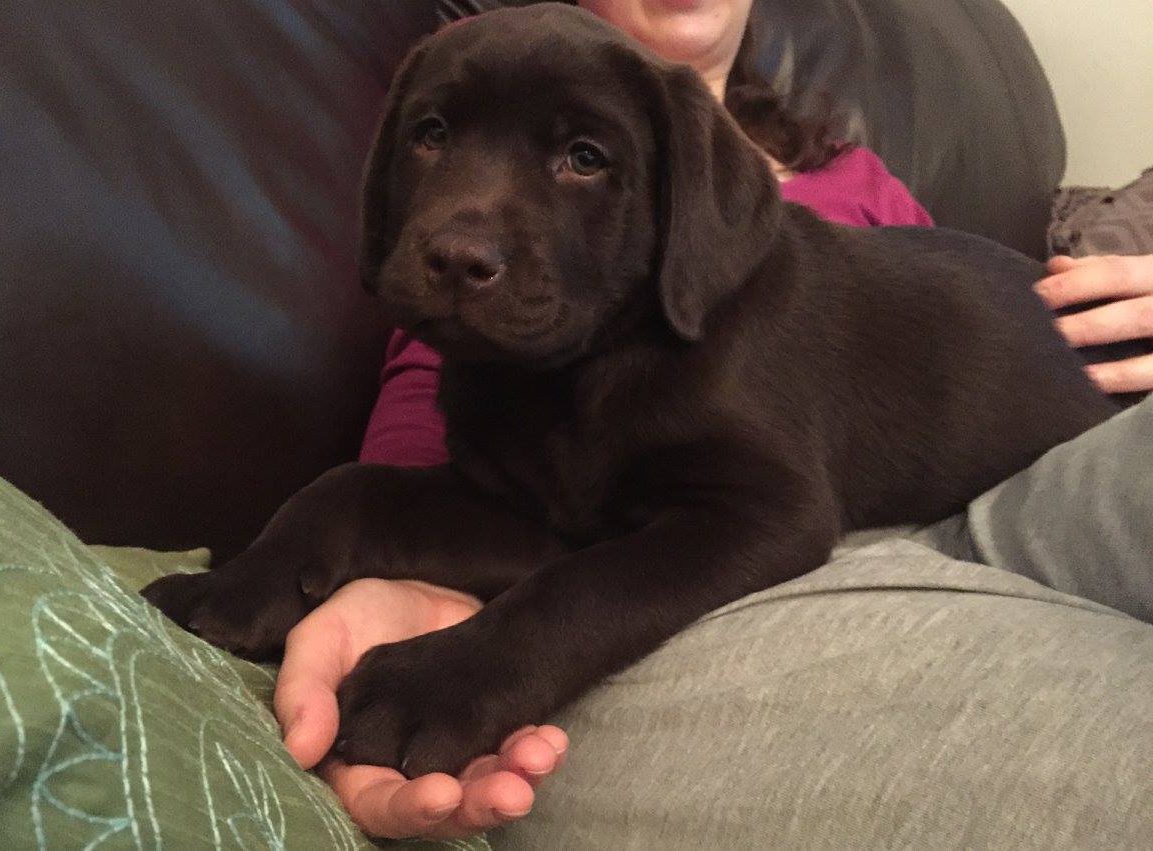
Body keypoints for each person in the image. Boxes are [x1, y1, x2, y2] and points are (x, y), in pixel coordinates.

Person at [274, 0, 1153, 841]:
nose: (469, 229)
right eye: (435, 136)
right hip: (840, 572)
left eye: (584, 156)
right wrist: (394, 576)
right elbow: (466, 473)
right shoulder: (494, 92)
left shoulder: (853, 191)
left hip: (1055, 454)